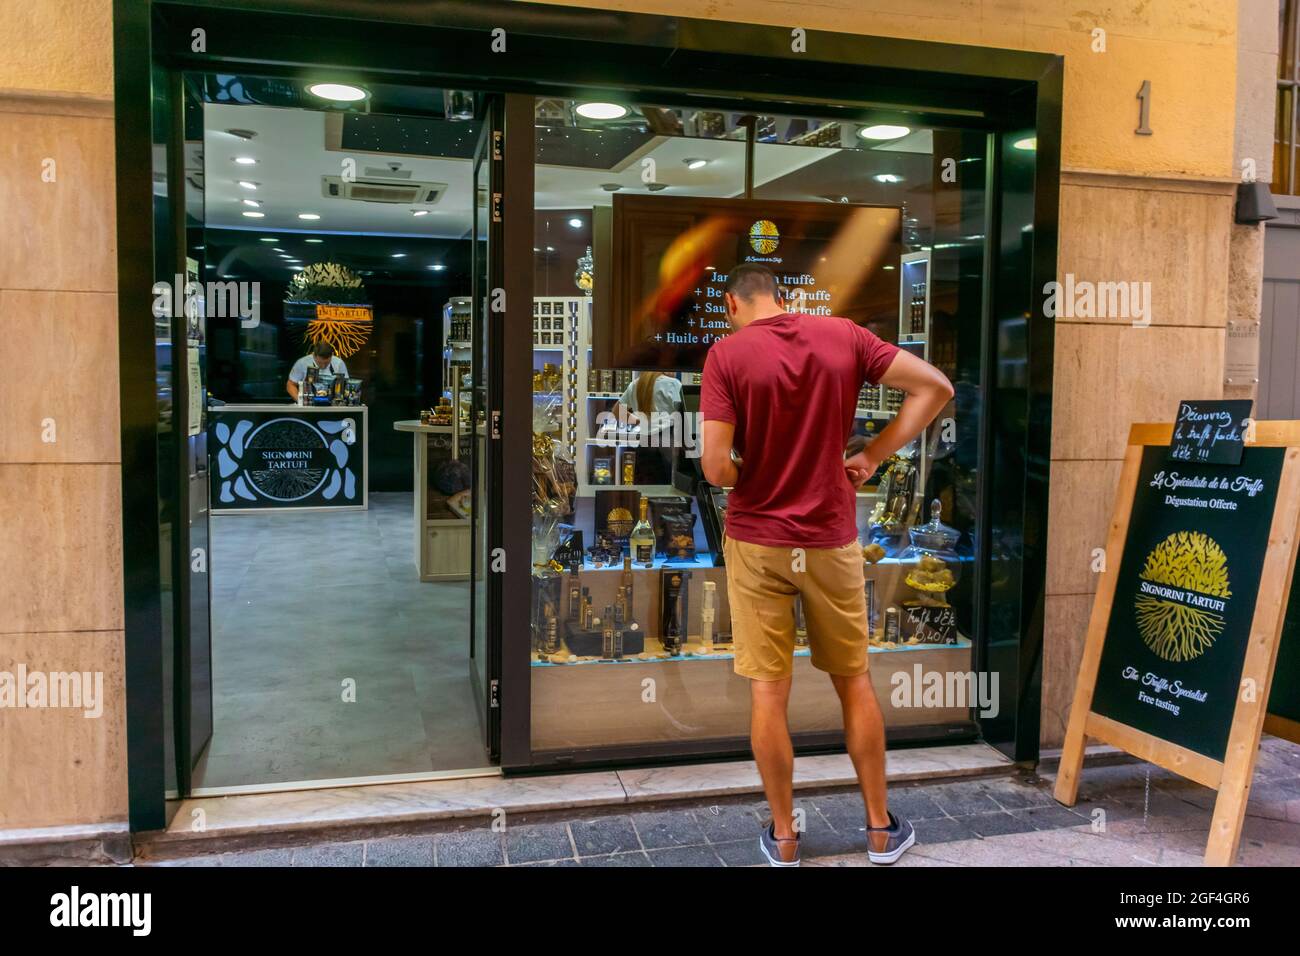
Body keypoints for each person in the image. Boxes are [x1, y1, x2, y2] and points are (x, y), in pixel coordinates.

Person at [699, 263, 953, 867]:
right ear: (783, 299)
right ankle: (879, 831)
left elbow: (713, 467)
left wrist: (746, 473)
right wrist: (872, 455)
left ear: (734, 303)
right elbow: (935, 388)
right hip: (829, 537)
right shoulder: (844, 335)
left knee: (768, 690)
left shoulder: (726, 355)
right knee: (854, 680)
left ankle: (785, 837)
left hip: (758, 539)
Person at [612, 372, 683, 483]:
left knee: (646, 487)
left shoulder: (637, 384)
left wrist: (639, 421)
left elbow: (617, 412)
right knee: (669, 489)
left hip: (644, 443)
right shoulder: (674, 384)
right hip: (668, 443)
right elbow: (684, 415)